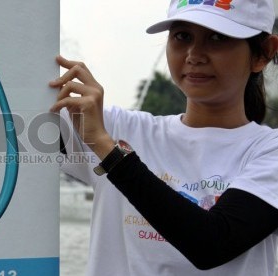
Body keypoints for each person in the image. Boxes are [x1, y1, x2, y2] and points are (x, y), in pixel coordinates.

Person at [50, 0, 278, 275]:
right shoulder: (114, 126)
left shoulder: (268, 152)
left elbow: (213, 243)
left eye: (218, 38)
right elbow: (4, 125)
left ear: (263, 53)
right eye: (182, 36)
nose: (195, 54)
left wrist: (105, 147)